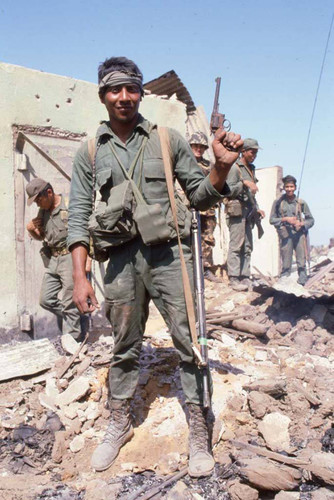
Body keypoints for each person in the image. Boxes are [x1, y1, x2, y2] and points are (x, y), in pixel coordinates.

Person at [67, 56, 243, 477]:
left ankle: (199, 431)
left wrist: (219, 166)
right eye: (115, 90)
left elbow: (201, 196)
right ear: (103, 95)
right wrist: (79, 275)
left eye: (131, 88)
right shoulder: (90, 151)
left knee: (190, 342)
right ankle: (119, 422)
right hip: (121, 262)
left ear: (141, 92)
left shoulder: (168, 139)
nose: (124, 97)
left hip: (171, 257)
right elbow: (76, 213)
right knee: (123, 345)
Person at [26, 178, 84, 339]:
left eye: (39, 200)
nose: (38, 205)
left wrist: (87, 261)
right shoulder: (43, 211)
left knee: (68, 301)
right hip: (53, 259)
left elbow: (86, 233)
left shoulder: (69, 205)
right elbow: (43, 236)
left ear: (49, 193)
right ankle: (75, 318)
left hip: (69, 258)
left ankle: (72, 341)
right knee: (46, 299)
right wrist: (31, 230)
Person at [224, 138, 265, 291]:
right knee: (236, 244)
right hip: (237, 210)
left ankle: (245, 276)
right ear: (244, 151)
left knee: (247, 245)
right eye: (251, 151)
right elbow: (227, 190)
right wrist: (244, 183)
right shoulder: (235, 168)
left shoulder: (251, 169)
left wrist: (258, 208)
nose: (254, 155)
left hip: (249, 211)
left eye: (255, 152)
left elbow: (252, 194)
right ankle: (234, 278)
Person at [269, 175, 314, 285]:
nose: (289, 189)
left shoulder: (301, 203)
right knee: (286, 262)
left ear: (295, 187)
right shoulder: (278, 202)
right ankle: (284, 283)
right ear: (284, 188)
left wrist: (302, 224)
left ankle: (302, 283)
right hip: (285, 235)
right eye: (287, 187)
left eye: (291, 186)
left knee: (301, 261)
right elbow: (272, 220)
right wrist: (285, 219)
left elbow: (311, 220)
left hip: (299, 235)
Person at [188, 131, 221, 283]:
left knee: (207, 239)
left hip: (207, 208)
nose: (198, 149)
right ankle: (189, 270)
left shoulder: (209, 165)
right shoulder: (183, 162)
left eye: (201, 147)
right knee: (186, 237)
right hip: (187, 206)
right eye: (195, 146)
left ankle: (206, 269)